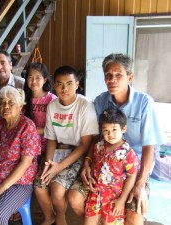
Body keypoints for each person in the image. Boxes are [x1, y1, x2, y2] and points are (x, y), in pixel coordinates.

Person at [69, 53, 164, 225]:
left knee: (135, 217)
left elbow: (149, 147)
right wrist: (87, 162)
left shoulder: (144, 103)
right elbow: (95, 137)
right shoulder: (101, 101)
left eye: (118, 75)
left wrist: (140, 184)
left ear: (130, 77)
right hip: (102, 167)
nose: (112, 79)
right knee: (75, 198)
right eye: (108, 75)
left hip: (133, 170)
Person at [39, 66, 99, 225]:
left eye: (69, 83)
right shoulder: (52, 106)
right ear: (53, 85)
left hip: (78, 151)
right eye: (59, 84)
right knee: (40, 185)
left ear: (77, 84)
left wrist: (58, 167)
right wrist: (48, 163)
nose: (64, 88)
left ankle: (60, 217)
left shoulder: (85, 106)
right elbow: (51, 139)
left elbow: (86, 144)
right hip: (59, 149)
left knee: (57, 189)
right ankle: (52, 216)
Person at [0, 86, 41, 225]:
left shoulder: (27, 126)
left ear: (20, 107)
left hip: (18, 183)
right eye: (2, 102)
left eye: (11, 103)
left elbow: (26, 163)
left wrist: (1, 189)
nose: (6, 106)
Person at [84, 108, 139, 225]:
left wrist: (122, 200)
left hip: (114, 198)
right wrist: (90, 179)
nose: (110, 134)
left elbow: (131, 176)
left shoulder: (128, 153)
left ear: (123, 129)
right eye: (105, 130)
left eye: (114, 129)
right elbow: (95, 163)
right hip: (95, 195)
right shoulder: (99, 146)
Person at [23, 62, 57, 225]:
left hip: (47, 148)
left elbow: (54, 128)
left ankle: (51, 216)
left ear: (45, 80)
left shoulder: (52, 99)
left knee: (40, 181)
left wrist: (33, 131)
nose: (34, 81)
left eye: (38, 77)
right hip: (28, 148)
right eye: (30, 77)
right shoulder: (24, 98)